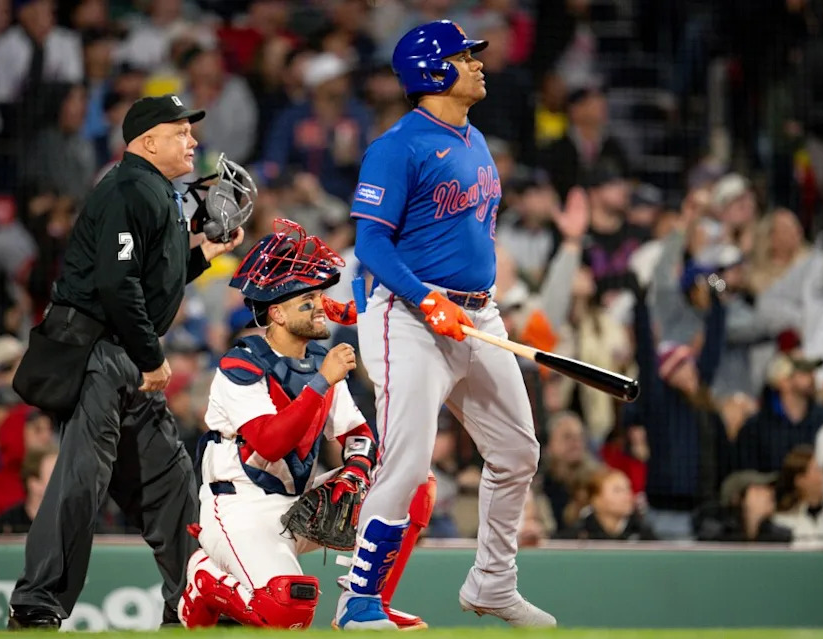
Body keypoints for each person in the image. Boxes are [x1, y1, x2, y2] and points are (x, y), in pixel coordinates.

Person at [332, 20, 557, 629]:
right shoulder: (396, 146)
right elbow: (371, 245)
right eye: (464, 56)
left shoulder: (474, 138)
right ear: (432, 71)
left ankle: (492, 583)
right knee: (406, 462)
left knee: (516, 451)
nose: (478, 63)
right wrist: (424, 296)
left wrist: (469, 300)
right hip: (407, 317)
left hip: (476, 313)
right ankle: (359, 602)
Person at [6, 94, 246, 629]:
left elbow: (152, 282)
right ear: (147, 141)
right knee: (81, 481)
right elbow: (117, 286)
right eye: (181, 132)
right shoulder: (127, 187)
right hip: (101, 354)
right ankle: (35, 605)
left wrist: (203, 254)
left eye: (191, 132)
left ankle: (191, 603)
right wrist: (151, 356)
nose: (193, 142)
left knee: (170, 484)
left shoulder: (154, 191)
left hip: (123, 355)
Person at [177, 219, 432, 630]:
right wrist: (322, 381)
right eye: (307, 299)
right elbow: (269, 442)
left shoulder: (317, 362)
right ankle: (205, 578)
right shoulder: (240, 364)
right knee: (290, 608)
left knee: (414, 481)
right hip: (240, 506)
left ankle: (367, 604)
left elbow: (358, 434)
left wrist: (355, 469)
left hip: (298, 505)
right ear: (276, 312)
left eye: (318, 295)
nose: (320, 306)